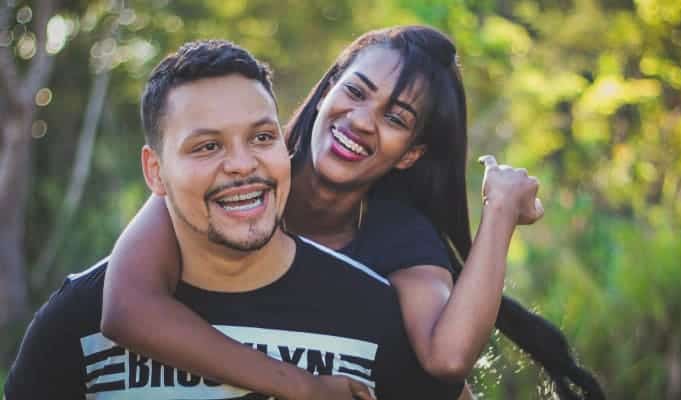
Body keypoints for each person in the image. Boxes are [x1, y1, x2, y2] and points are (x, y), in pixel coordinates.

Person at [102, 26, 605, 399]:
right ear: (327, 92)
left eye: (395, 118)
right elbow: (125, 308)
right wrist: (304, 389)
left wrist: (500, 210)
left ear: (410, 153)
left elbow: (448, 357)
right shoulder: (238, 175)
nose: (362, 122)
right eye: (356, 92)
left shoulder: (396, 236)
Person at [4, 39, 464, 400]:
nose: (242, 165)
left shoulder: (375, 315)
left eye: (261, 137)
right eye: (207, 146)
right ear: (155, 172)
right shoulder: (78, 319)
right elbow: (126, 311)